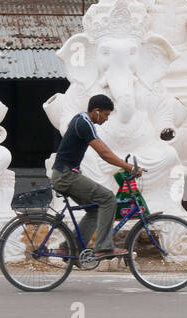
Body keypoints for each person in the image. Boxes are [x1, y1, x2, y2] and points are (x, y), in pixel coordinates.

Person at [50, 94, 139, 260]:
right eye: (105, 114)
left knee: (95, 210)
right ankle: (104, 247)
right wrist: (128, 166)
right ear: (96, 111)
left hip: (65, 174)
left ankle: (68, 247)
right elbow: (103, 152)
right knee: (108, 198)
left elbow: (104, 150)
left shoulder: (82, 120)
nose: (106, 119)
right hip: (66, 175)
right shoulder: (84, 123)